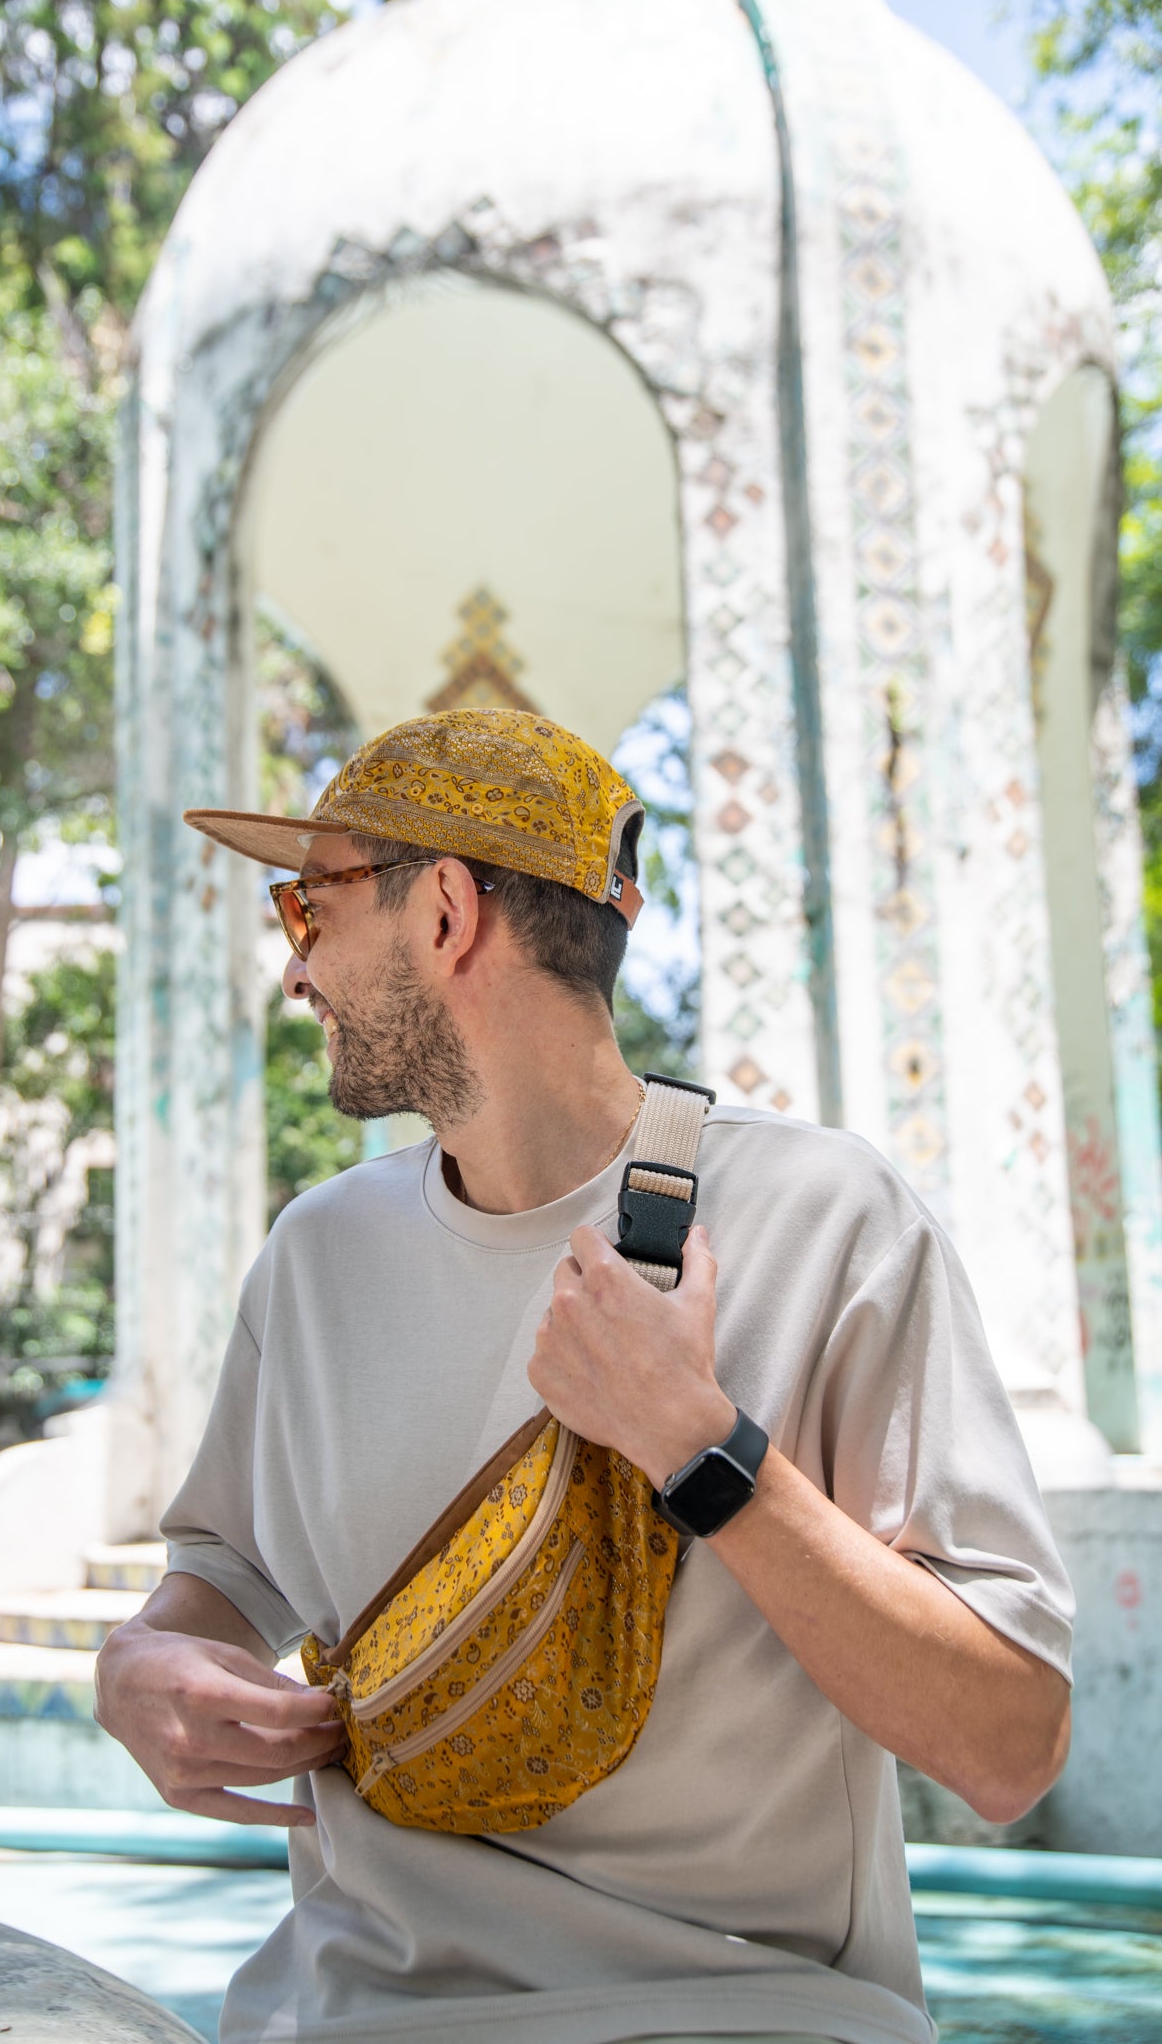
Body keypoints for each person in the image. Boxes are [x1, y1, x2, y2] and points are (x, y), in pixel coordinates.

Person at [96, 708, 1073, 2044]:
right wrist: (144, 1662)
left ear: (447, 914)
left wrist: (700, 1449)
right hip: (346, 2019)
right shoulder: (315, 1257)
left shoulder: (826, 1220)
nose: (294, 968)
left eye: (309, 906)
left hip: (744, 2021)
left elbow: (1010, 1749)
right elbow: (223, 1579)